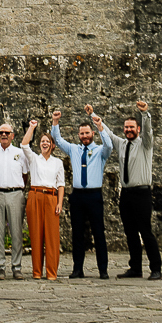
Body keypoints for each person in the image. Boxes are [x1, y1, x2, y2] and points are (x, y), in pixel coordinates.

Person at [50, 106, 116, 280]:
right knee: (77, 233)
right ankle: (77, 269)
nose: (85, 136)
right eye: (82, 134)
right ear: (79, 135)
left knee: (98, 233)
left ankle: (103, 269)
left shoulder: (100, 151)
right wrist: (55, 121)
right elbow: (56, 139)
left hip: (94, 195)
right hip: (78, 196)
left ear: (92, 134)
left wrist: (100, 126)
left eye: (87, 133)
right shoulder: (74, 149)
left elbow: (109, 144)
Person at [113, 100, 161, 280]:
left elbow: (149, 131)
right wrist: (94, 118)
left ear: (138, 129)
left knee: (145, 231)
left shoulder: (145, 144)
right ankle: (136, 268)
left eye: (132, 127)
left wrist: (145, 113)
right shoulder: (121, 144)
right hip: (126, 194)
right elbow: (108, 134)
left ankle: (156, 268)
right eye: (126, 128)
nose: (128, 130)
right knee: (130, 232)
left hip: (142, 193)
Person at [0, 118, 30, 278]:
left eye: (7, 133)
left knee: (16, 231)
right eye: (1, 132)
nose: (3, 135)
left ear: (12, 135)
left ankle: (17, 267)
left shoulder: (20, 153)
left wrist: (16, 187)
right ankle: (0, 267)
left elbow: (25, 175)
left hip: (16, 193)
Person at [20, 117, 65, 280]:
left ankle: (51, 272)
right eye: (42, 141)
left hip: (51, 197)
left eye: (48, 141)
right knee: (36, 234)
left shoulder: (58, 162)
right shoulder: (34, 159)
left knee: (52, 237)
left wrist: (59, 203)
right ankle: (37, 272)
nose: (44, 143)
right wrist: (32, 127)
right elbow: (24, 145)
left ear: (52, 145)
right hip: (35, 196)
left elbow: (61, 184)